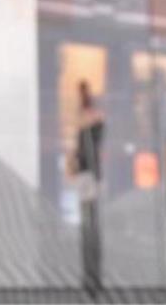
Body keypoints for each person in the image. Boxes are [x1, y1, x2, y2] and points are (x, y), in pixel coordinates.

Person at [72, 79, 105, 298]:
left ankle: (95, 275)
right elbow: (78, 151)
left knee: (93, 227)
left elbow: (98, 138)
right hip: (84, 176)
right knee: (86, 227)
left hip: (92, 176)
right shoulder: (81, 119)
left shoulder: (94, 118)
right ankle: (88, 276)